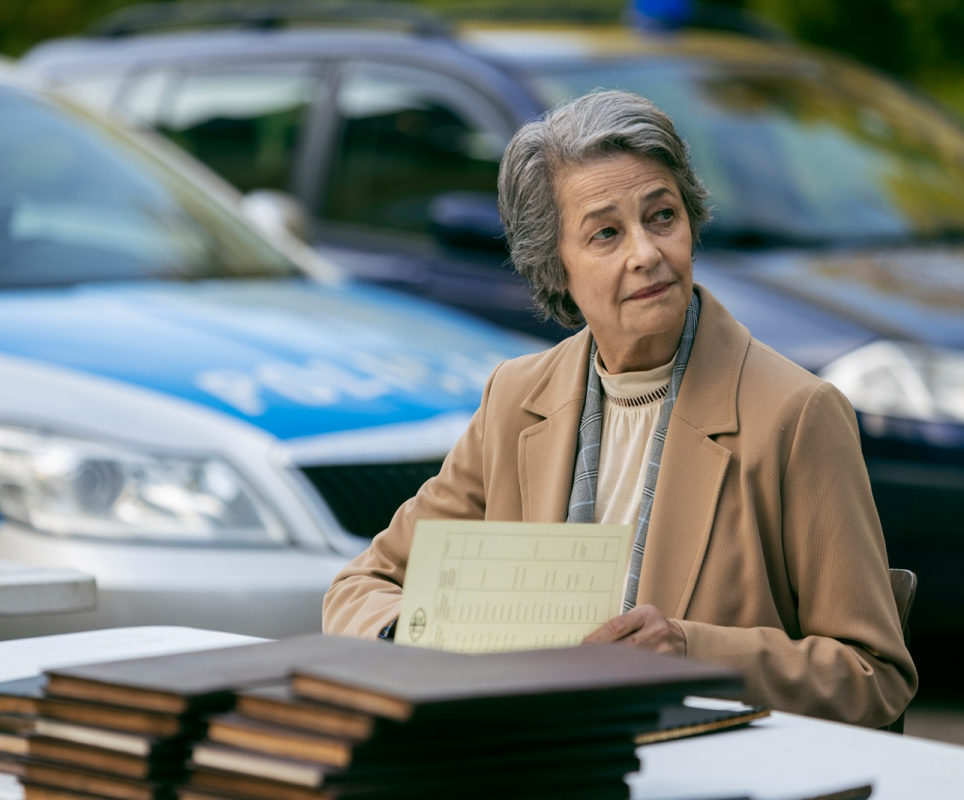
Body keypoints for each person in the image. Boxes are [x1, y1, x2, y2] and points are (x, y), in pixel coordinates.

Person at [322, 90, 916, 728]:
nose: (646, 252)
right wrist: (421, 644)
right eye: (606, 233)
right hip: (536, 761)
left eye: (661, 216)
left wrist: (690, 651)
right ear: (557, 268)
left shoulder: (796, 414)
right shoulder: (515, 400)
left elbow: (872, 675)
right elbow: (361, 588)